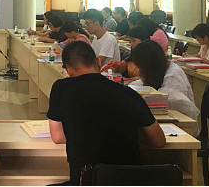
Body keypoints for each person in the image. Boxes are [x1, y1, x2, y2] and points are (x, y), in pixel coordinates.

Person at [47, 41, 166, 185]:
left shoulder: (61, 89)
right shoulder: (128, 93)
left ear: (68, 71)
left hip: (87, 181)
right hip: (129, 181)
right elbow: (159, 141)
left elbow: (58, 137)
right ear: (98, 62)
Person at [130, 40, 200, 122]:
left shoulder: (174, 74)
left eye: (141, 67)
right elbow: (142, 84)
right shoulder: (157, 69)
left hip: (181, 120)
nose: (139, 70)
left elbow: (170, 99)